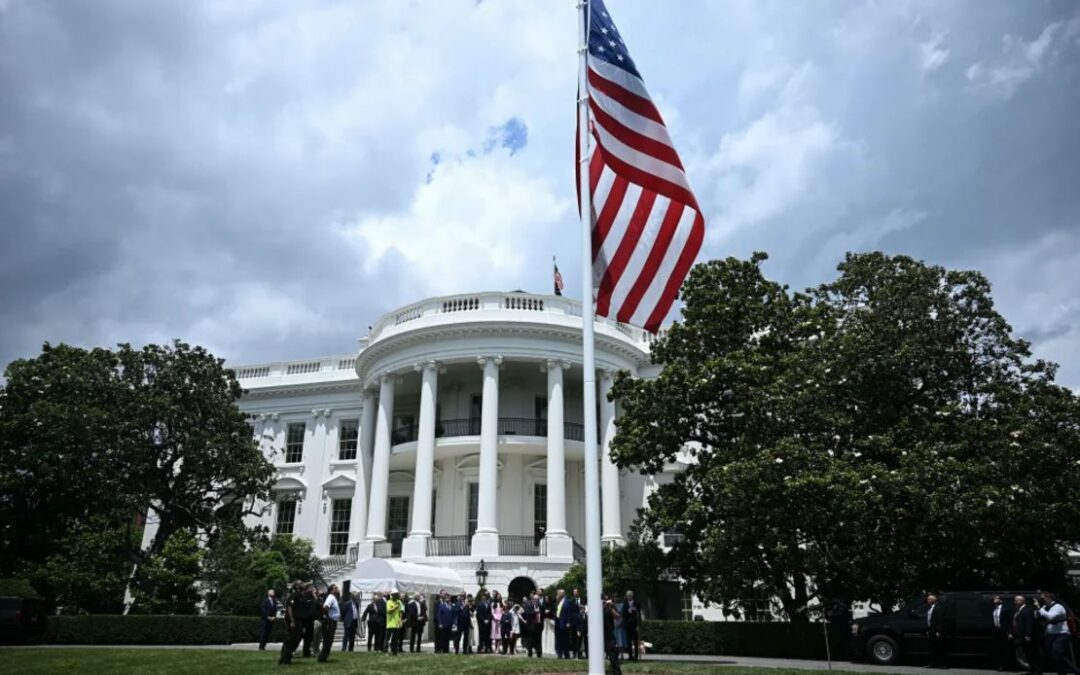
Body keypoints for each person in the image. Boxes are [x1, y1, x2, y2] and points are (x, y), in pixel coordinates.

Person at [1036, 591, 1080, 675]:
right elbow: (1042, 618)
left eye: (1043, 598)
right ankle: (1060, 672)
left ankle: (1076, 671)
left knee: (1057, 653)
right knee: (1050, 655)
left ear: (1049, 598)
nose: (1041, 600)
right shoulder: (1045, 607)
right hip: (1050, 634)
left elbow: (1050, 616)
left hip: (1061, 634)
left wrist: (1039, 608)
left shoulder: (1058, 607)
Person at [1011, 594, 1040, 675]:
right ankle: (1033, 670)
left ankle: (1037, 670)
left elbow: (1029, 623)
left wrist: (1028, 634)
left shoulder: (1027, 610)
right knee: (1027, 653)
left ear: (1022, 601)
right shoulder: (1019, 610)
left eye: (1016, 600)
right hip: (1021, 635)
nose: (1015, 601)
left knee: (1032, 653)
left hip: (1026, 636)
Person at [278, 581, 305, 665]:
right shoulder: (295, 595)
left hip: (299, 620)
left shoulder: (301, 595)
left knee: (296, 639)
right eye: (301, 583)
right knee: (291, 640)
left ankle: (284, 658)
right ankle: (285, 660)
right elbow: (290, 607)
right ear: (297, 586)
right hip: (294, 620)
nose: (303, 584)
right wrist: (292, 620)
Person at [317, 584, 340, 663]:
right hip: (330, 621)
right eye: (335, 588)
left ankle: (324, 657)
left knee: (329, 639)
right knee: (328, 639)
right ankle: (322, 657)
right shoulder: (330, 597)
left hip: (333, 621)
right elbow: (325, 607)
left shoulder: (334, 597)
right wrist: (327, 616)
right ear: (332, 590)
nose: (337, 589)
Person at [296, 584, 320, 658]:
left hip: (311, 621)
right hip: (304, 621)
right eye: (311, 589)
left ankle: (306, 652)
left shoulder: (313, 597)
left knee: (308, 638)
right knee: (299, 637)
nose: (312, 590)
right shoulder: (303, 597)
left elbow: (318, 605)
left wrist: (315, 597)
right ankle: (292, 651)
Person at [925, 594, 949, 669]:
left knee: (940, 648)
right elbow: (929, 620)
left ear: (933, 600)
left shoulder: (938, 608)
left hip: (937, 631)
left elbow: (939, 621)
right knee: (932, 648)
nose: (927, 600)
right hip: (931, 630)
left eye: (929, 599)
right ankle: (932, 664)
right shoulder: (930, 608)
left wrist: (938, 631)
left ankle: (943, 665)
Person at [992, 595, 1013, 671]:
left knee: (1006, 649)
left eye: (996, 598)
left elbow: (1010, 621)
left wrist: (1010, 632)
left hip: (1005, 631)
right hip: (997, 631)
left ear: (1001, 600)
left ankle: (1007, 665)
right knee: (999, 649)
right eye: (994, 598)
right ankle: (1001, 665)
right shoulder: (994, 609)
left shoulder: (1005, 609)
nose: (994, 599)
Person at [603, 595, 623, 675]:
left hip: (609, 635)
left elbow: (618, 617)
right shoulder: (597, 608)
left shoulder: (610, 608)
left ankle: (617, 673)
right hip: (598, 636)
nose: (605, 601)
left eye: (606, 599)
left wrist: (610, 607)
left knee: (614, 654)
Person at [621, 591, 641, 661]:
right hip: (628, 624)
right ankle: (630, 656)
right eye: (627, 596)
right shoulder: (625, 604)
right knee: (628, 641)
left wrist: (638, 625)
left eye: (629, 596)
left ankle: (636, 656)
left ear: (632, 596)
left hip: (635, 624)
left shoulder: (636, 603)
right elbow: (623, 614)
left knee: (635, 640)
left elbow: (639, 615)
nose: (628, 597)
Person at [554, 589, 573, 659]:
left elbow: (569, 613)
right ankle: (559, 654)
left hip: (564, 623)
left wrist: (568, 622)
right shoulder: (558, 602)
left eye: (558, 593)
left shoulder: (567, 602)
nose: (557, 595)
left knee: (565, 639)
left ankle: (566, 654)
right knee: (558, 639)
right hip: (558, 622)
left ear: (562, 594)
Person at [386, 590, 404, 655]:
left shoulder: (399, 602)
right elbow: (389, 611)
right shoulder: (389, 602)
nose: (398, 595)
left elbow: (401, 610)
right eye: (396, 594)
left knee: (395, 639)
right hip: (390, 624)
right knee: (388, 639)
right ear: (393, 595)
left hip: (396, 624)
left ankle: (394, 652)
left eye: (398, 594)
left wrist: (401, 620)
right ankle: (386, 651)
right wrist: (395, 607)